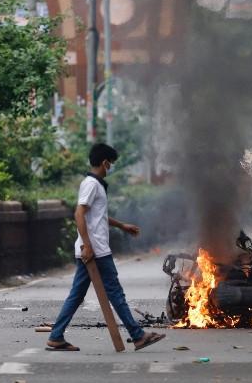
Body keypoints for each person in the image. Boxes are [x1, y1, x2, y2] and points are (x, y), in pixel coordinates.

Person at [47, 144, 165, 352]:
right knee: (115, 293)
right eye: (110, 163)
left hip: (94, 249)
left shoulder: (94, 184)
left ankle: (56, 336)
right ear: (104, 162)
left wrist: (121, 225)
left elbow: (97, 216)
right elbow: (79, 214)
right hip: (96, 251)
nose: (110, 167)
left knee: (77, 295)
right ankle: (138, 336)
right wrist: (87, 245)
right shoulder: (91, 184)